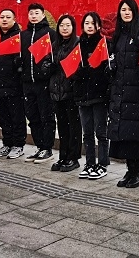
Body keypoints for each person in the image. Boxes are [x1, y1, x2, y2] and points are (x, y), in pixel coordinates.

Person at [108, 0, 139, 189]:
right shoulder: (119, 34)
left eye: (129, 9)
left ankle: (138, 171)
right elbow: (114, 57)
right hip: (121, 92)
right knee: (124, 134)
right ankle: (130, 170)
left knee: (137, 135)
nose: (126, 13)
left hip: (138, 94)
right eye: (123, 10)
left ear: (135, 11)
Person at [73, 12, 110, 180]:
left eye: (92, 23)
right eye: (86, 23)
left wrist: (92, 71)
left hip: (99, 95)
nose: (89, 26)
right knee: (87, 133)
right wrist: (79, 73)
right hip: (82, 94)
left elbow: (106, 69)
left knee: (101, 132)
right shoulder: (79, 44)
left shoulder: (103, 44)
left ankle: (102, 164)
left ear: (98, 26)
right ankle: (89, 164)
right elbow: (72, 67)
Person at [20, 3, 57, 164]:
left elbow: (55, 56)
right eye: (31, 13)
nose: (33, 16)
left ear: (43, 15)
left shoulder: (50, 34)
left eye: (37, 13)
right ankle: (39, 146)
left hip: (44, 83)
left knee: (46, 116)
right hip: (28, 82)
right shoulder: (24, 35)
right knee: (33, 117)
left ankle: (47, 148)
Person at [0, 9, 27, 159]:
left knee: (16, 117)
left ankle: (18, 145)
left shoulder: (19, 37)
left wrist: (18, 62)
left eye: (8, 17)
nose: (4, 20)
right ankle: (7, 143)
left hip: (14, 85)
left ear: (14, 19)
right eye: (2, 17)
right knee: (3, 118)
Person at [49, 14, 82, 173]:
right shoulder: (54, 45)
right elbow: (47, 64)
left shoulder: (77, 43)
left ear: (73, 27)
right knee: (62, 126)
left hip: (71, 92)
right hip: (57, 92)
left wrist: (73, 75)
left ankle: (73, 157)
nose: (64, 28)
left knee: (73, 126)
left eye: (68, 25)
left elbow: (80, 66)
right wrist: (48, 67)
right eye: (62, 25)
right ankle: (63, 156)